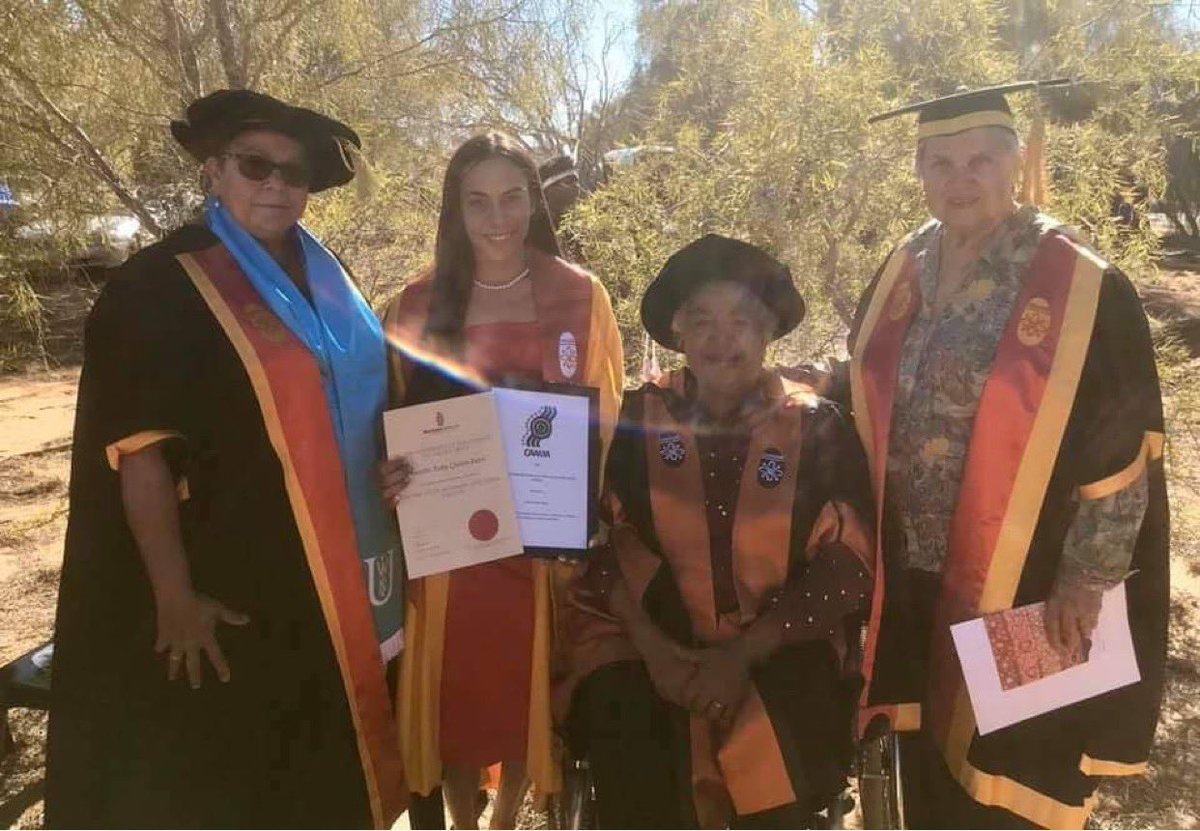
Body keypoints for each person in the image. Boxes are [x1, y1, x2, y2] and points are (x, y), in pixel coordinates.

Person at [45, 89, 407, 828]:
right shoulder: (161, 285)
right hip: (244, 575)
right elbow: (139, 454)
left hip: (351, 570)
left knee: (334, 763)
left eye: (294, 173)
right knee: (262, 776)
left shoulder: (328, 273)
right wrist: (174, 596)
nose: (276, 185)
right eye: (255, 165)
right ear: (213, 170)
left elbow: (355, 402)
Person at [837, 82, 1170, 828]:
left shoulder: (1080, 282)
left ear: (1017, 164)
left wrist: (1085, 579)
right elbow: (858, 388)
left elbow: (1121, 447)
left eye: (982, 159)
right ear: (919, 171)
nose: (962, 179)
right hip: (910, 570)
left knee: (1011, 771)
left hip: (1028, 576)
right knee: (920, 757)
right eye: (942, 162)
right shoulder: (903, 265)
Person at [558, 235, 875, 828]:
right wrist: (656, 652)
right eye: (701, 321)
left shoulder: (816, 427)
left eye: (740, 322)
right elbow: (597, 542)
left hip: (779, 639)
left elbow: (848, 564)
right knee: (621, 711)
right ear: (678, 335)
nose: (719, 339)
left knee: (794, 711)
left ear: (767, 333)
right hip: (653, 639)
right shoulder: (635, 420)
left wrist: (742, 654)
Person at [381, 132, 624, 830]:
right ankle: (462, 818)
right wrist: (390, 469)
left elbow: (604, 414)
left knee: (525, 684)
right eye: (477, 200)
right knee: (457, 691)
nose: (497, 218)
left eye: (512, 196)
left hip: (540, 543)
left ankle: (507, 815)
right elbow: (390, 416)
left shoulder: (579, 295)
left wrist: (580, 508)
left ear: (534, 199)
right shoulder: (417, 305)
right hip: (449, 547)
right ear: (454, 209)